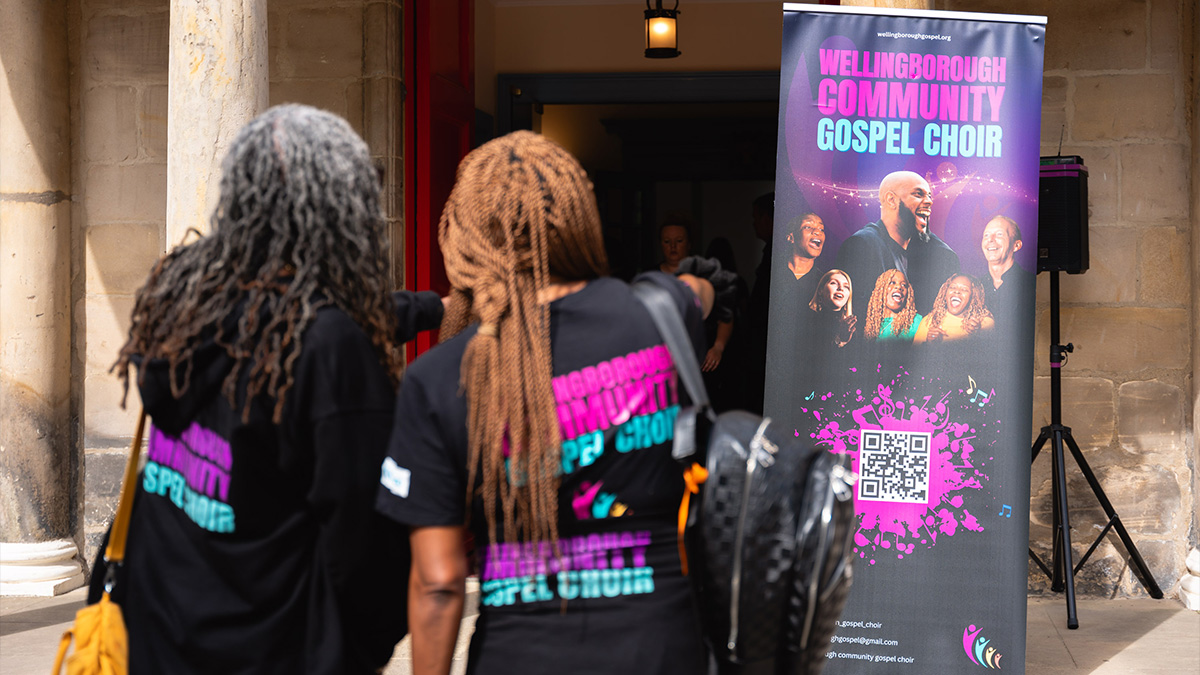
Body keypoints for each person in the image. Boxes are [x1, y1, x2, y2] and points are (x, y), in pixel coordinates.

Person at [98, 105, 443, 673]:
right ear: (343, 212)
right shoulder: (327, 347)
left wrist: (433, 309)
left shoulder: (185, 295)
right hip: (267, 650)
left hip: (153, 633)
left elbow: (313, 319)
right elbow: (369, 552)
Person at [376, 131, 714, 675]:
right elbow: (698, 293)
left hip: (519, 655)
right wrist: (703, 282)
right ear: (578, 216)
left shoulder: (437, 378)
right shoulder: (662, 315)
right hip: (661, 649)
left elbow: (438, 583)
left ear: (470, 235)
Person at [834, 171, 959, 316]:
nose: (929, 202)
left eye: (929, 196)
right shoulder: (862, 246)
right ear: (891, 200)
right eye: (918, 194)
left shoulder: (942, 254)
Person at [980, 214, 1035, 328]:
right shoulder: (975, 286)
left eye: (999, 234)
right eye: (986, 235)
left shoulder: (1030, 284)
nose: (990, 240)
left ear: (1016, 245)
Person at [913, 273, 995, 343]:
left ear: (973, 297)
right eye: (952, 287)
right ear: (945, 293)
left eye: (964, 289)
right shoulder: (929, 321)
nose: (957, 291)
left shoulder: (984, 323)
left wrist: (978, 336)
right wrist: (928, 345)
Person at [864, 269, 922, 343]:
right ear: (881, 289)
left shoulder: (916, 322)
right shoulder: (871, 325)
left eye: (904, 285)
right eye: (892, 282)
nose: (899, 287)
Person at [806, 269, 857, 349]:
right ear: (820, 290)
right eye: (834, 283)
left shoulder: (852, 328)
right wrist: (840, 341)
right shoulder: (807, 320)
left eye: (846, 286)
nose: (840, 288)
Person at [784, 211, 827, 302]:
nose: (817, 232)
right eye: (808, 227)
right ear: (791, 237)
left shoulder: (824, 283)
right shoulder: (775, 272)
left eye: (821, 229)